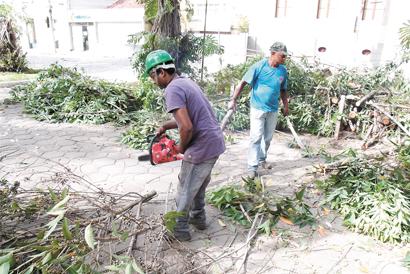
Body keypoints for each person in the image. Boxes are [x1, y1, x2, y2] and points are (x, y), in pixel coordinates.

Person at [145, 49, 226, 241]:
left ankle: (180, 229)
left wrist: (180, 149)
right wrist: (166, 125)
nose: (153, 81)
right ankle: (198, 218)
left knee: (186, 186)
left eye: (152, 76)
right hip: (214, 142)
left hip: (202, 144)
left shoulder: (171, 89)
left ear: (161, 72)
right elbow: (191, 118)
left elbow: (187, 128)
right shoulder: (185, 81)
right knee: (197, 185)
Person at [228, 42, 290, 179]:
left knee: (267, 138)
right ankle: (252, 166)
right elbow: (242, 83)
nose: (284, 59)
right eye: (282, 56)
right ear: (273, 53)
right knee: (256, 137)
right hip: (257, 108)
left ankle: (262, 159)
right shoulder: (259, 66)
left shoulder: (283, 70)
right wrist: (233, 99)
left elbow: (283, 89)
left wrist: (286, 106)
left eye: (286, 57)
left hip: (273, 109)